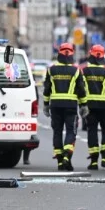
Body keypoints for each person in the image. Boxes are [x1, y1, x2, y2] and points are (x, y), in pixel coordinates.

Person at [43, 43, 86, 171]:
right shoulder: (76, 70)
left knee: (57, 132)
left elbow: (47, 89)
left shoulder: (52, 70)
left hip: (55, 105)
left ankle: (60, 162)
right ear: (71, 54)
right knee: (71, 131)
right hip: (71, 106)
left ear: (59, 54)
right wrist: (84, 105)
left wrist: (46, 105)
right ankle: (67, 155)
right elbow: (81, 90)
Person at [80, 44, 105, 170]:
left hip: (90, 107)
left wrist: (81, 104)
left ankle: (94, 161)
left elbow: (80, 89)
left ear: (91, 54)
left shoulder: (83, 71)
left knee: (92, 131)